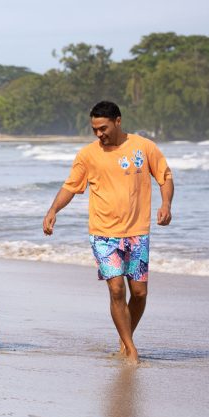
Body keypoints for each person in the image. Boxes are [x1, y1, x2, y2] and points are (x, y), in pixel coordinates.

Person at [42, 101, 174, 364]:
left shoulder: (144, 147)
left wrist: (166, 204)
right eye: (94, 129)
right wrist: (53, 210)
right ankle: (131, 349)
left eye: (103, 128)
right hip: (103, 233)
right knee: (116, 290)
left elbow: (165, 177)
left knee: (139, 293)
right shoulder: (88, 155)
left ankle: (126, 339)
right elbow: (70, 186)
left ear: (118, 121)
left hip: (137, 232)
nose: (99, 134)